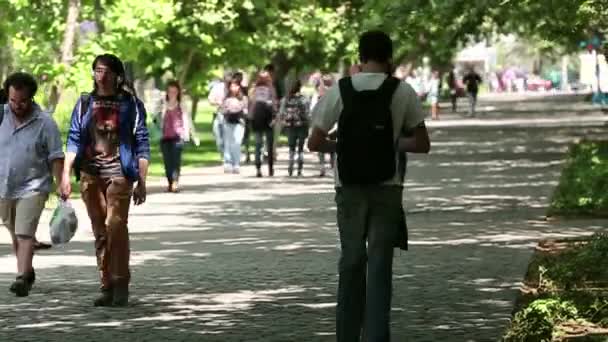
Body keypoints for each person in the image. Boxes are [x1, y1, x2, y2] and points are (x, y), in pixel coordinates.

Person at [307, 30, 431, 341]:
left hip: (348, 187)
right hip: (387, 188)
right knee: (379, 266)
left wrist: (346, 146)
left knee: (350, 262)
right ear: (389, 58)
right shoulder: (402, 91)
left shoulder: (341, 90)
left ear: (360, 59)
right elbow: (421, 143)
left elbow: (315, 141)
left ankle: (347, 335)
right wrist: (389, 145)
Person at [60, 53, 150, 307]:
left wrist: (141, 180)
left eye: (107, 71)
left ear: (117, 75)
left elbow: (142, 141)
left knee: (116, 227)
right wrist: (66, 174)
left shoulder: (130, 104)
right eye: (98, 70)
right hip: (90, 174)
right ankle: (106, 284)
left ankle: (121, 283)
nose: (102, 75)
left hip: (120, 174)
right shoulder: (85, 103)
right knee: (100, 231)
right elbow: (74, 139)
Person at [0, 72, 65, 297]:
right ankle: (27, 270)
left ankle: (21, 278)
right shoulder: (1, 115)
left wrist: (60, 182)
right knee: (14, 231)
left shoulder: (44, 122)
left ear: (32, 98)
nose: (17, 105)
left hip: (34, 186)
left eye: (23, 101)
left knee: (24, 232)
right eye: (13, 100)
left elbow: (56, 156)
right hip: (4, 186)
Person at [157, 80, 198, 193]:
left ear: (178, 92)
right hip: (165, 137)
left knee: (176, 161)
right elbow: (154, 116)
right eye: (170, 91)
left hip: (178, 137)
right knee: (167, 163)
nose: (172, 94)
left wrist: (192, 135)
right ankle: (170, 182)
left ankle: (175, 182)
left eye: (174, 92)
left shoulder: (181, 105)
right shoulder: (162, 104)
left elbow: (188, 120)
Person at [248, 71, 278, 177]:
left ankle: (262, 168)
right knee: (265, 144)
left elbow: (252, 104)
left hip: (260, 117)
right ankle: (266, 168)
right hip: (265, 117)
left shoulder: (255, 89)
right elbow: (274, 103)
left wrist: (250, 117)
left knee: (260, 144)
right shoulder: (269, 88)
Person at [279, 80, 309, 177]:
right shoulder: (304, 99)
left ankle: (290, 166)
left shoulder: (286, 99)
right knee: (300, 149)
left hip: (290, 126)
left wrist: (283, 122)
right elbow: (308, 113)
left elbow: (281, 113)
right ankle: (300, 170)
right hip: (302, 125)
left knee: (291, 148)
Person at [310, 74, 336, 177]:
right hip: (333, 125)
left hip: (320, 124)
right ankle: (333, 167)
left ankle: (322, 166)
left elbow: (312, 110)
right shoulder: (335, 93)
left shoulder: (318, 94)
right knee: (333, 147)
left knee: (320, 145)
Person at [221, 78, 248, 173]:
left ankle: (236, 164)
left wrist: (240, 112)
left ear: (239, 87)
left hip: (239, 123)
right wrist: (227, 111)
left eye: (236, 85)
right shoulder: (226, 99)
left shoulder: (243, 98)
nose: (233, 88)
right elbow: (223, 110)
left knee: (237, 143)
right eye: (232, 86)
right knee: (228, 143)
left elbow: (245, 110)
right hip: (228, 122)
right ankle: (228, 163)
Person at [208, 72, 230, 158]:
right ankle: (223, 154)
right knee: (219, 139)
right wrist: (217, 102)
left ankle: (227, 158)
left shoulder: (233, 87)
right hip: (218, 115)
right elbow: (210, 99)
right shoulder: (217, 87)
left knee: (227, 138)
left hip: (229, 116)